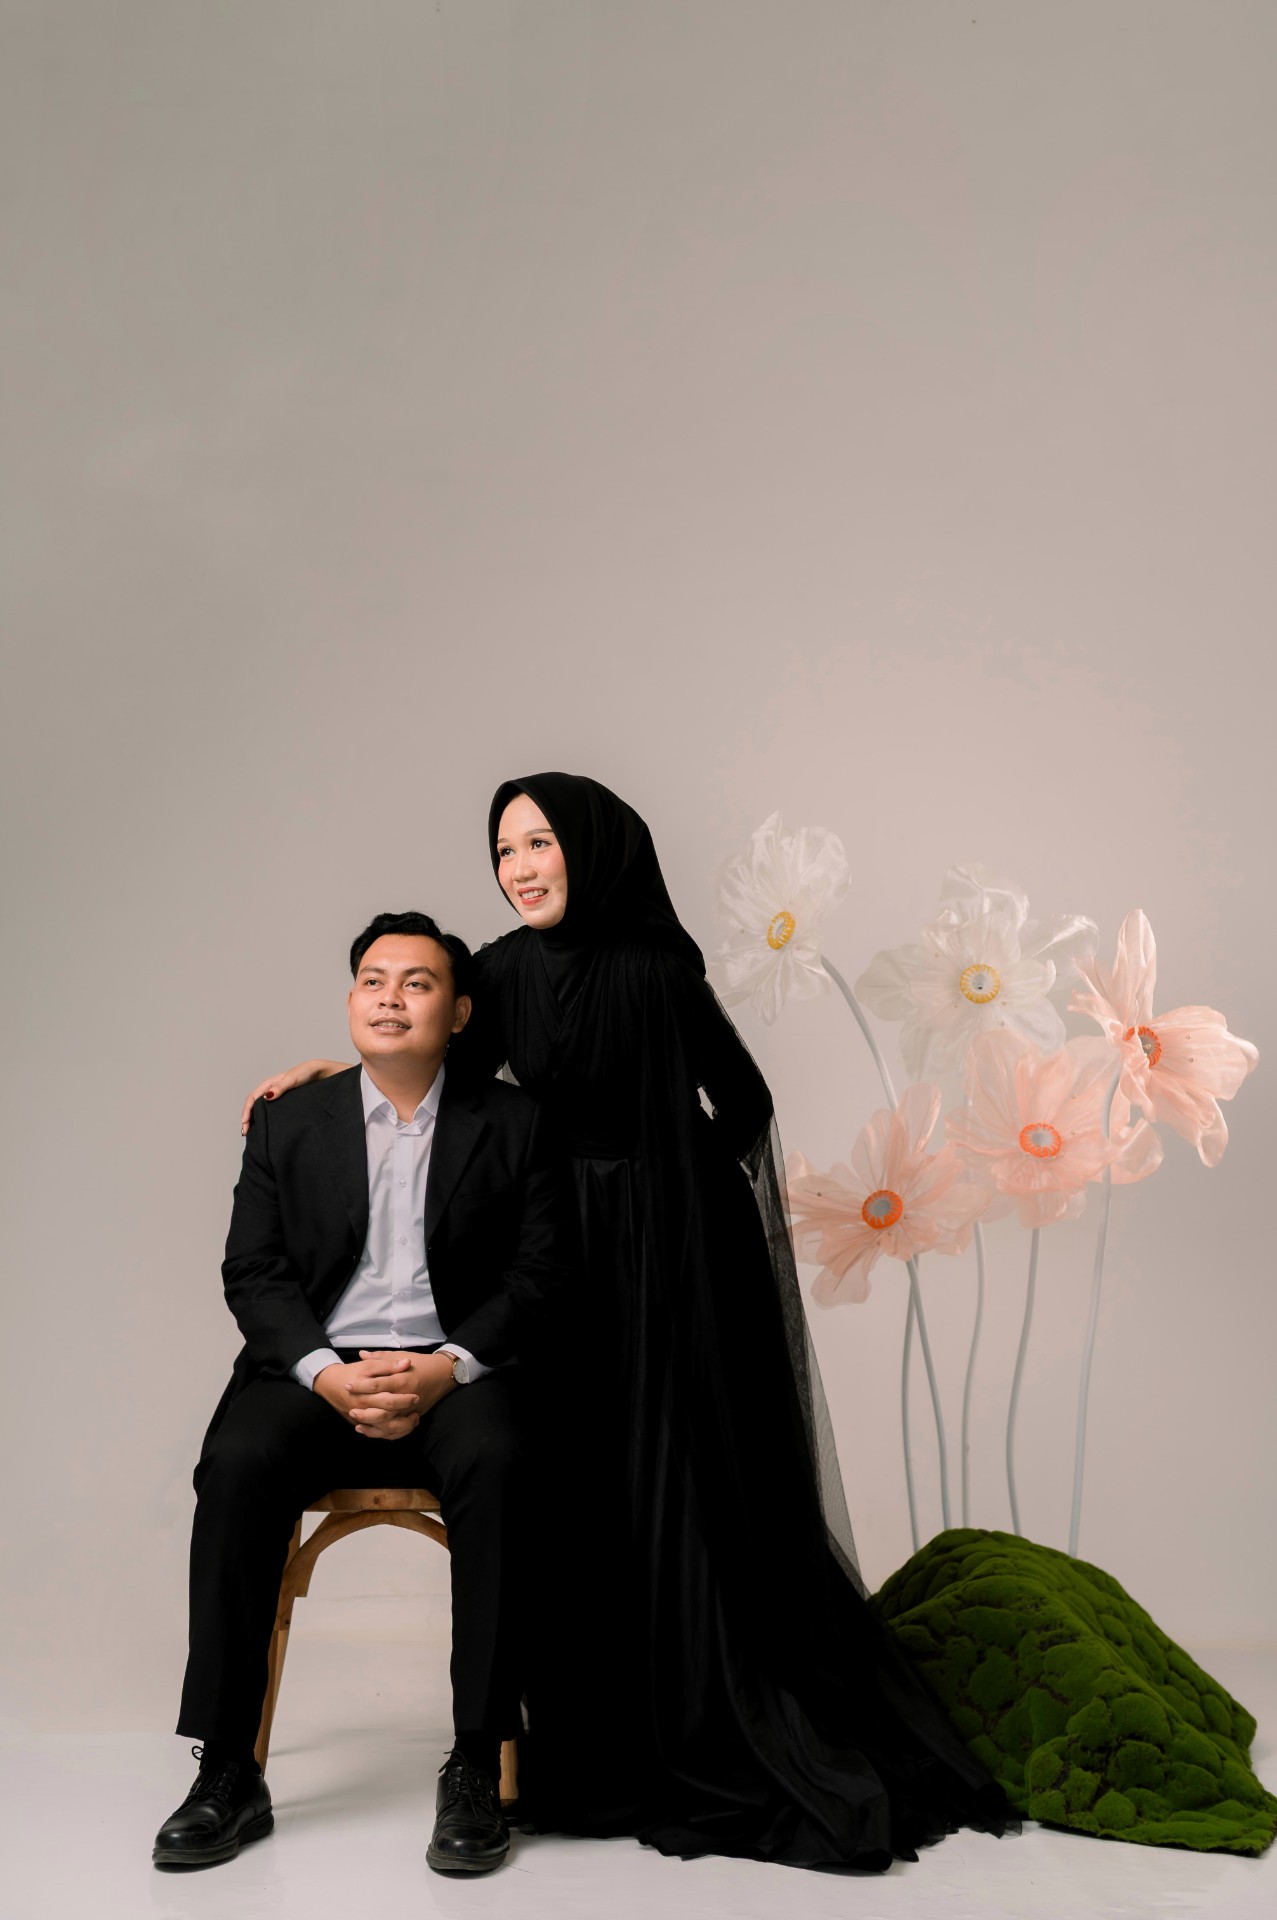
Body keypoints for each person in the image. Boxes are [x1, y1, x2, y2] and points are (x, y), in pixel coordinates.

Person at [243, 777, 1014, 1871]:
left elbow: (743, 1104)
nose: (520, 868)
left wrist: (671, 1185)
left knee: (674, 1483)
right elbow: (430, 1058)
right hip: (552, 1255)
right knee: (577, 1484)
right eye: (504, 850)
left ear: (593, 848)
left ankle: (702, 1724)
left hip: (668, 1257)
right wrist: (331, 1073)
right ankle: (586, 1744)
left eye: (539, 842)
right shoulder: (498, 971)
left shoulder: (656, 969)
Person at [157, 911, 568, 1877]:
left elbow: (539, 1276)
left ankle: (476, 1762)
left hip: (456, 1370)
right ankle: (227, 1769)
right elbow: (253, 1271)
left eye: (417, 983)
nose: (390, 998)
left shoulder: (515, 1124)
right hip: (318, 1369)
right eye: (372, 981)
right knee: (235, 1465)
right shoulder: (289, 1119)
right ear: (350, 1001)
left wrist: (445, 1366)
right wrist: (326, 1372)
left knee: (502, 1463)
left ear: (458, 1013)